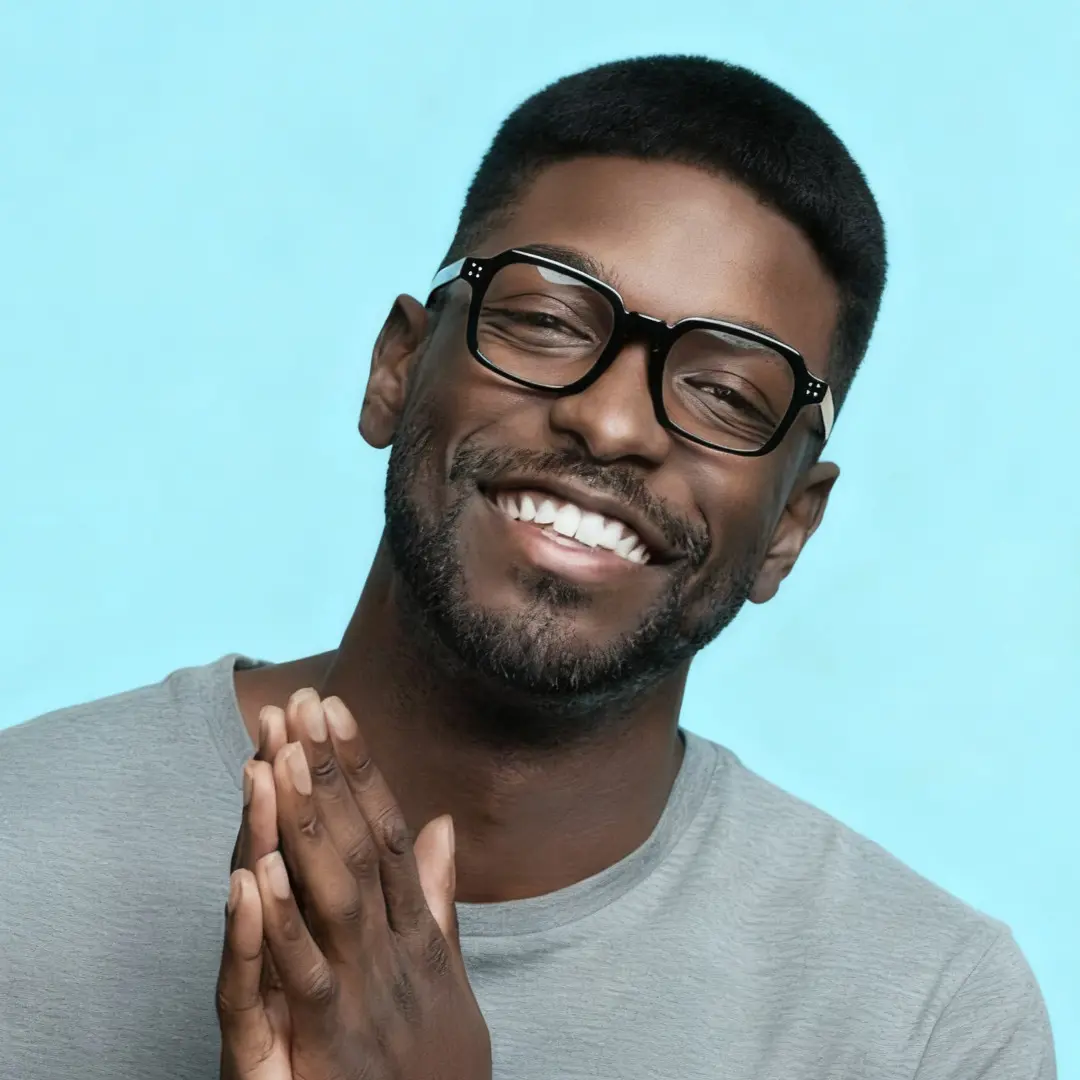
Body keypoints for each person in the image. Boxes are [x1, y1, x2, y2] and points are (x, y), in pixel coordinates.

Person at [0, 54, 1055, 1080]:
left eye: (726, 395)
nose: (607, 420)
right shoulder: (21, 843)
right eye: (547, 321)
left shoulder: (929, 1022)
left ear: (791, 526)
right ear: (396, 370)